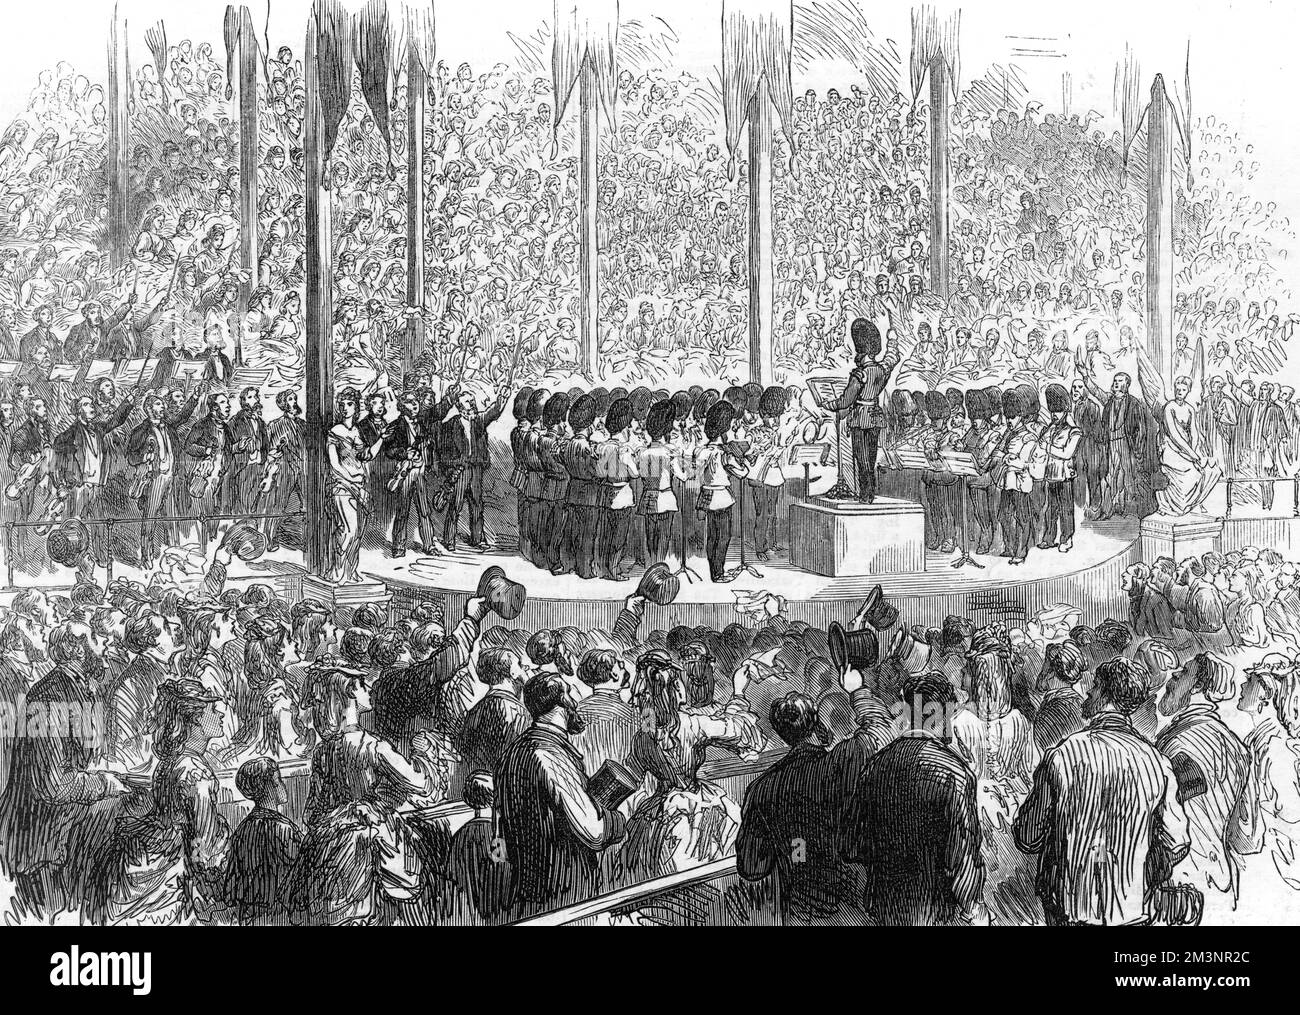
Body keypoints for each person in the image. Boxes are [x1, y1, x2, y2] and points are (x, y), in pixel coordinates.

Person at [1014, 656, 1190, 925]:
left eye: (1094, 686)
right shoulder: (1156, 762)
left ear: (1105, 693)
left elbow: (1027, 836)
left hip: (1069, 909)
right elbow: (1176, 840)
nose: (1087, 691)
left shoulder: (1063, 755)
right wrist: (1136, 878)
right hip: (1131, 912)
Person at [289, 657, 447, 926]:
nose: (369, 689)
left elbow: (312, 814)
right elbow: (421, 784)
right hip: (370, 853)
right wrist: (424, 754)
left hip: (333, 854)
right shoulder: (372, 746)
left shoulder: (322, 752)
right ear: (351, 691)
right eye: (363, 684)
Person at [0, 621, 129, 918]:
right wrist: (105, 784)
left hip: (65, 833)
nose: (106, 644)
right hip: (39, 842)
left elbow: (81, 758)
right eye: (97, 638)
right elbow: (52, 785)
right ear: (75, 650)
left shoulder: (84, 687)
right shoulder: (49, 697)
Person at [840, 672, 984, 926]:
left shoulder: (875, 766)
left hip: (885, 907)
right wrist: (974, 908)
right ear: (942, 714)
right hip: (936, 910)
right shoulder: (955, 773)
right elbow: (962, 856)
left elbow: (851, 845)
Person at [96, 678, 231, 925]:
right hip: (175, 872)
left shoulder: (169, 764)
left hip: (157, 857)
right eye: (213, 709)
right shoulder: (196, 773)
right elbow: (206, 847)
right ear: (196, 719)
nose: (220, 714)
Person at [495, 670, 627, 919]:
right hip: (567, 891)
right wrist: (619, 822)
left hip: (526, 893)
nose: (576, 701)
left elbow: (498, 835)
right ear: (561, 703)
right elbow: (594, 832)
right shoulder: (550, 754)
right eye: (570, 693)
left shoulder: (511, 754)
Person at [1155, 653, 1248, 901]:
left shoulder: (1179, 745)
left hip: (1181, 882)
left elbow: (1177, 824)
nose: (1173, 675)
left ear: (1197, 687)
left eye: (1184, 672)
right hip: (1223, 879)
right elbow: (1245, 833)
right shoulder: (1236, 746)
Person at [812, 317, 900, 503]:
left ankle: (864, 495)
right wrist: (892, 341)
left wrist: (827, 404)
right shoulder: (882, 369)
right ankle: (870, 494)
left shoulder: (859, 374)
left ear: (861, 350)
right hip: (875, 417)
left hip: (860, 418)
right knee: (871, 457)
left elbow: (845, 401)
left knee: (862, 459)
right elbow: (892, 358)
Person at [222, 757, 301, 925]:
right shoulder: (284, 829)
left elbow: (231, 887)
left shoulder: (242, 830)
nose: (282, 785)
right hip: (280, 915)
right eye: (278, 780)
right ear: (267, 787)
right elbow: (302, 876)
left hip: (249, 916)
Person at [326, 387, 384, 584]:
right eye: (341, 404)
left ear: (357, 407)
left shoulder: (358, 431)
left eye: (349, 404)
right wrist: (352, 481)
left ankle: (352, 571)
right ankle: (337, 572)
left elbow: (366, 456)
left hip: (361, 486)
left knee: (358, 534)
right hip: (343, 486)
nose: (344, 408)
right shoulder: (335, 431)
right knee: (348, 531)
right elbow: (334, 465)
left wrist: (382, 438)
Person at [437, 386, 506, 551]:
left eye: (472, 402)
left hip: (475, 469)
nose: (472, 405)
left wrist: (502, 398)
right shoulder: (450, 425)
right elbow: (444, 451)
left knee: (477, 505)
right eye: (468, 403)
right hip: (460, 470)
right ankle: (449, 540)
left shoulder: (478, 421)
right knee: (456, 504)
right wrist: (452, 468)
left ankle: (478, 539)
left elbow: (492, 413)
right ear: (460, 408)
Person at [446, 771, 512, 925]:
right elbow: (504, 873)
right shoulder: (496, 835)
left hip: (469, 913)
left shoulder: (459, 836)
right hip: (495, 912)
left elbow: (452, 876)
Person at [696, 399, 749, 582]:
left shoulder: (702, 451)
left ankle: (714, 570)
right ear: (724, 429)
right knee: (723, 537)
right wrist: (744, 461)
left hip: (706, 495)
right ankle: (718, 573)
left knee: (712, 536)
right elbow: (742, 473)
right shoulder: (724, 454)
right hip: (721, 498)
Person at [458, 647, 530, 776]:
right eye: (519, 664)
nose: (525, 668)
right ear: (512, 673)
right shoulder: (518, 712)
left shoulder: (474, 712)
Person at [571, 648, 637, 778]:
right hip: (627, 788)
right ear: (614, 674)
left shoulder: (575, 712)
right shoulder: (634, 715)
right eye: (621, 666)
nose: (625, 669)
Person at [1038, 383, 1082, 552]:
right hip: (1050, 475)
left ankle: (1066, 538)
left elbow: (1066, 453)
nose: (1054, 415)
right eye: (1052, 411)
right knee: (1051, 509)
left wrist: (1048, 447)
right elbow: (1040, 444)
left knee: (1066, 510)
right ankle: (1049, 538)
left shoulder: (1074, 432)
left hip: (1064, 477)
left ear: (1065, 411)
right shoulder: (1050, 428)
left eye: (1058, 411)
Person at [1031, 640, 1087, 752]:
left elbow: (1048, 756)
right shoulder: (1082, 704)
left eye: (1045, 665)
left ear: (1051, 672)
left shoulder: (1051, 712)